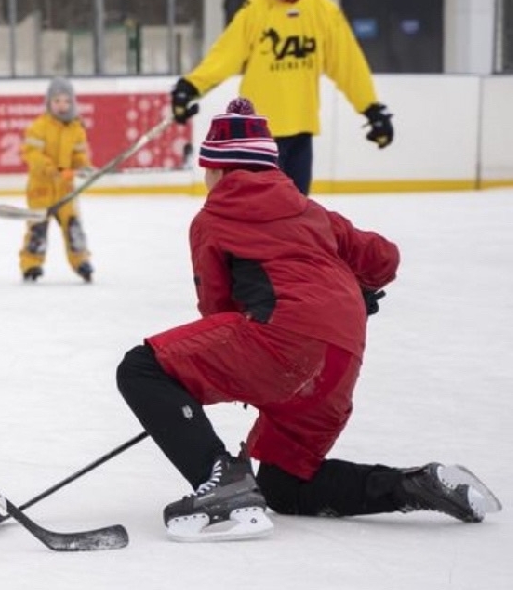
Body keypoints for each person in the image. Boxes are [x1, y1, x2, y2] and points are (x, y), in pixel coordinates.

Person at [116, 98, 501, 543]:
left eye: (206, 168)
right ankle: (416, 485)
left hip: (284, 345)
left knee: (142, 368)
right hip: (341, 360)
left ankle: (220, 482)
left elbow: (218, 311)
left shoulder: (213, 218)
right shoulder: (312, 212)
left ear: (220, 170)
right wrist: (357, 288)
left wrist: (207, 389)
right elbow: (384, 259)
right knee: (286, 486)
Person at [170, 0, 395, 195]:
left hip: (301, 129)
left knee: (296, 210)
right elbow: (225, 55)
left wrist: (370, 109)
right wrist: (191, 85)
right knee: (260, 210)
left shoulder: (324, 12)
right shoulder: (255, 9)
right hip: (258, 134)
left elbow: (349, 65)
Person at [18, 76, 94, 284]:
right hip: (40, 189)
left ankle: (81, 261)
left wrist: (83, 166)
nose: (62, 106)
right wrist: (54, 170)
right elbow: (32, 154)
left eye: (66, 101)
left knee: (73, 227)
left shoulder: (76, 129)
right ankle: (31, 263)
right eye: (57, 101)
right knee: (37, 229)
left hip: (65, 190)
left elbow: (78, 155)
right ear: (48, 103)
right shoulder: (39, 127)